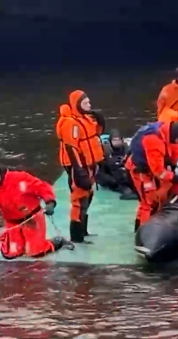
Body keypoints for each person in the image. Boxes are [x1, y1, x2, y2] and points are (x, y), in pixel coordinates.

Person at [126, 121, 178, 232]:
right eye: (177, 139)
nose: (177, 142)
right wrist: (177, 178)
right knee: (149, 203)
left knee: (153, 200)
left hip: (150, 169)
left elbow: (176, 154)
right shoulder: (153, 141)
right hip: (141, 171)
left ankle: (141, 228)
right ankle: (144, 233)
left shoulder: (166, 135)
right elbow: (159, 171)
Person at [56, 90, 105, 243]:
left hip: (89, 164)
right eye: (85, 103)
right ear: (77, 105)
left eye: (89, 102)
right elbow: (72, 148)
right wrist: (79, 171)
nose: (89, 105)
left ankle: (84, 231)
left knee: (88, 196)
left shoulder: (86, 119)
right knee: (79, 200)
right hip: (78, 166)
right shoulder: (70, 123)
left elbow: (96, 134)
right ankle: (77, 237)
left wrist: (101, 121)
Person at [97, 129, 138, 200]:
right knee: (126, 189)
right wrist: (112, 181)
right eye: (114, 140)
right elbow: (100, 173)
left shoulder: (127, 151)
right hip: (114, 179)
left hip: (127, 176)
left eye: (118, 140)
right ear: (110, 141)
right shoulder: (105, 153)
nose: (117, 142)